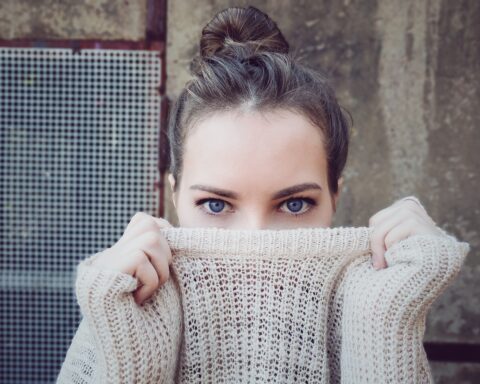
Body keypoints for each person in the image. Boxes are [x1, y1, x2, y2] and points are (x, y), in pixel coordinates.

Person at [91, 5, 445, 306]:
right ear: (175, 196)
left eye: (294, 205)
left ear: (335, 195)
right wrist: (109, 321)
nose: (255, 249)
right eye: (216, 205)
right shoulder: (128, 306)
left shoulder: (373, 308)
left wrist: (397, 316)